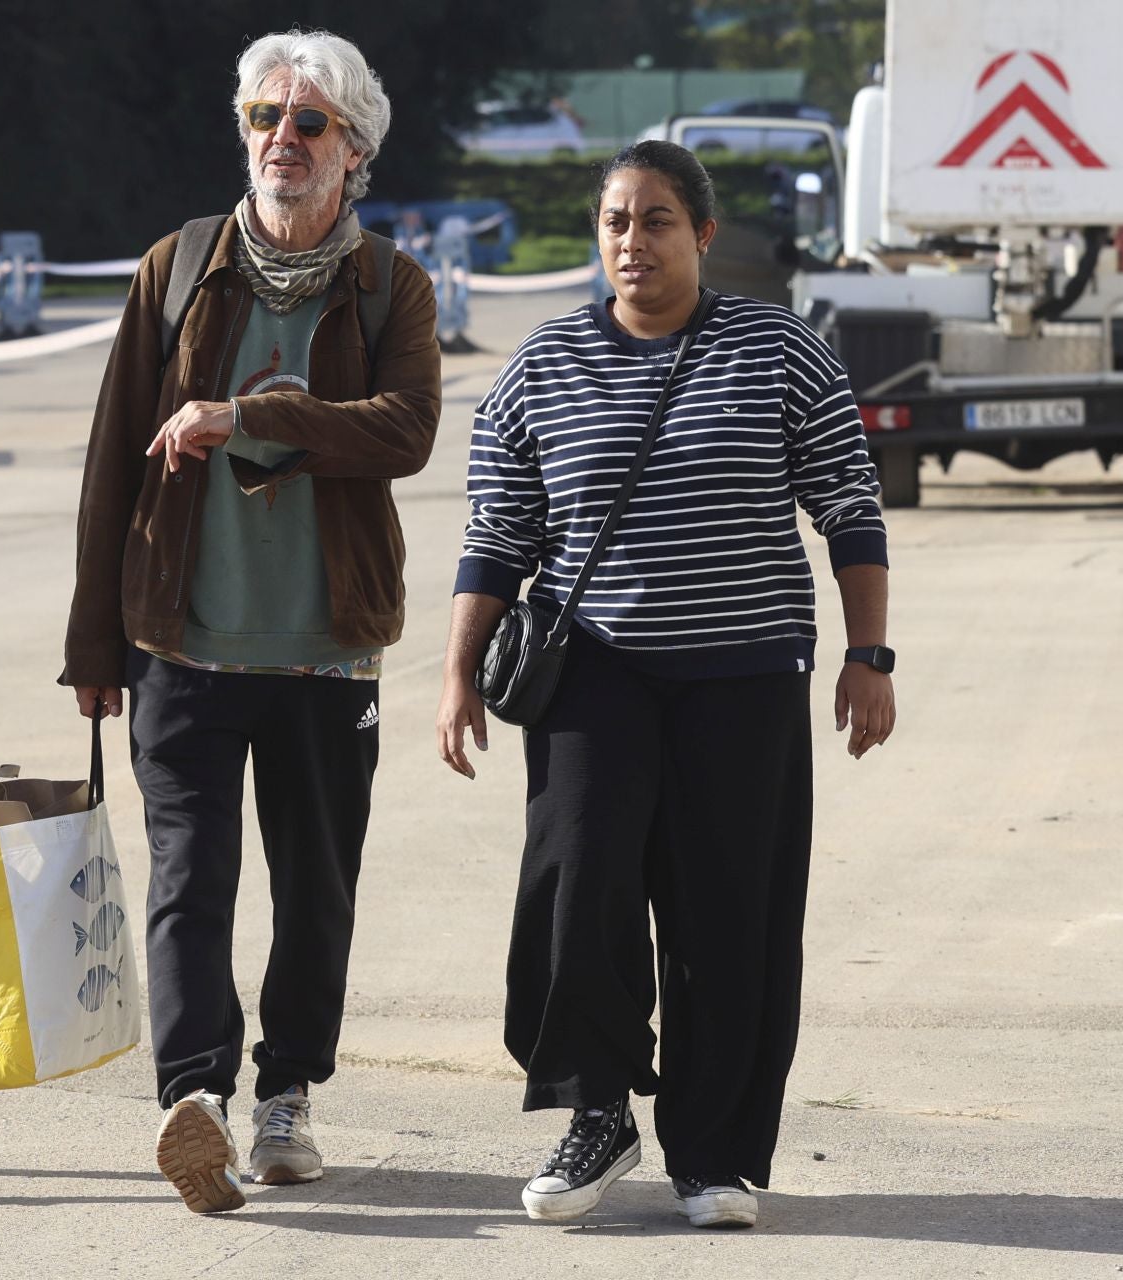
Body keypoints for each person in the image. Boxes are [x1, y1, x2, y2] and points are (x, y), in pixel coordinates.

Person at [435, 140, 897, 1231]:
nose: (631, 242)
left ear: (703, 234)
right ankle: (598, 1111)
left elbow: (851, 509)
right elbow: (497, 535)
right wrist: (457, 672)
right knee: (577, 892)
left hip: (744, 680)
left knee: (729, 914)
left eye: (654, 221)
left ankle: (718, 1152)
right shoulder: (541, 365)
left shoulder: (779, 349)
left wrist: (867, 656)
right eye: (614, 223)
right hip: (593, 680)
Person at [63, 28, 441, 1214]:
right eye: (263, 118)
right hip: (180, 637)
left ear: (355, 149)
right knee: (190, 877)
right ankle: (199, 1096)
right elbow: (113, 454)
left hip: (330, 646)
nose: (282, 139)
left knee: (316, 886)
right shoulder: (177, 268)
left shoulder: (391, 285)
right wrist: (93, 643)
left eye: (310, 122)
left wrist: (255, 417)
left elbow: (407, 431)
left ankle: (289, 1096)